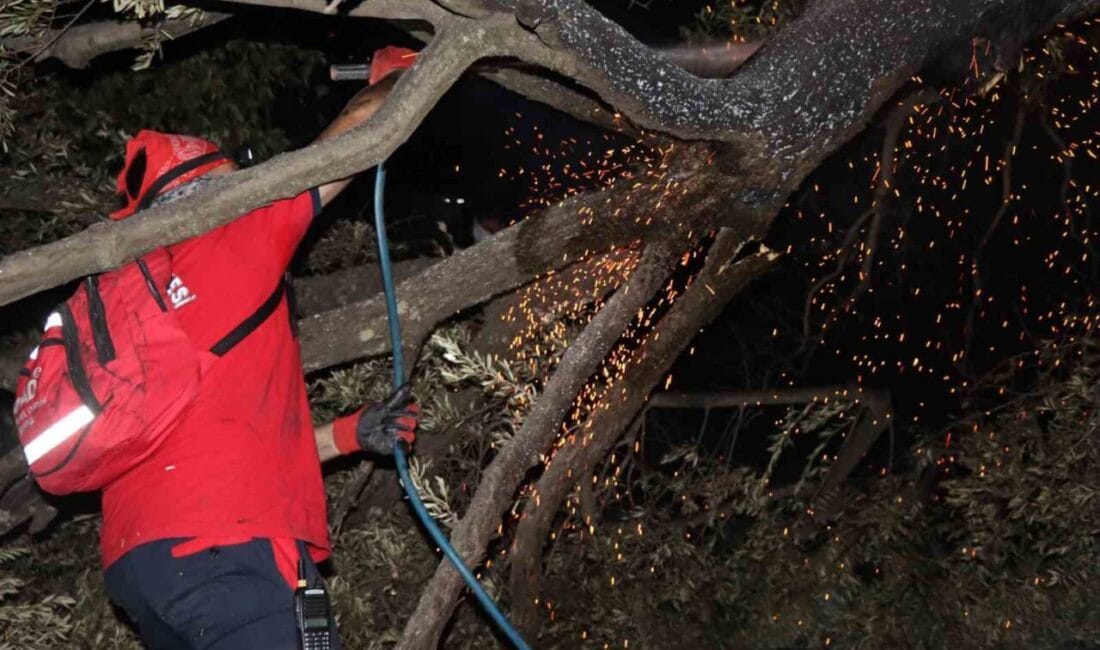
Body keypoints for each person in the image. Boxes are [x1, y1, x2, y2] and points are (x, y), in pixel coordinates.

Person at [99, 46, 420, 649]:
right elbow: (354, 135)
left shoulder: (134, 296)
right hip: (224, 552)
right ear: (210, 194)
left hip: (141, 567)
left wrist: (352, 434)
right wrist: (402, 73)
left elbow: (214, 443)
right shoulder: (229, 240)